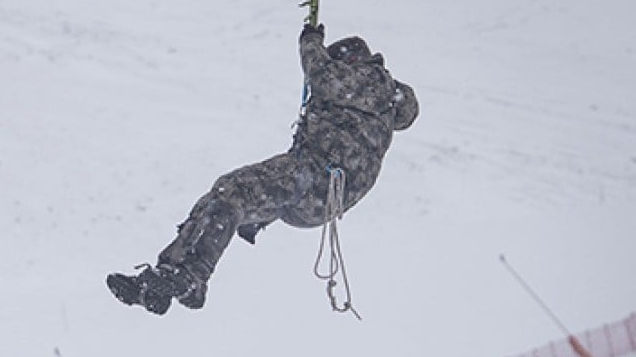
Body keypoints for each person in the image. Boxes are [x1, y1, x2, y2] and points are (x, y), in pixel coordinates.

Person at [107, 23, 419, 315]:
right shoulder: (379, 102)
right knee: (222, 198)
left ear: (353, 62)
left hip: (316, 179)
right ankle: (171, 275)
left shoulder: (376, 84)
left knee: (233, 190)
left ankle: (191, 275)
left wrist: (311, 44)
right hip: (316, 196)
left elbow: (323, 76)